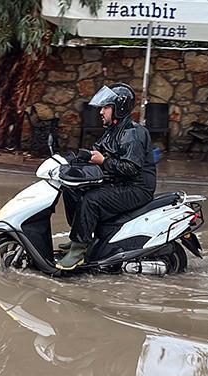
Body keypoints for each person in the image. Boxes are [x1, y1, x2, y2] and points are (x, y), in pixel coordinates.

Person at [57, 83, 157, 270]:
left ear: (118, 108)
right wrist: (74, 159)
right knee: (72, 190)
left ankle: (79, 251)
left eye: (105, 107)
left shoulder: (132, 133)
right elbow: (98, 150)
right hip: (120, 183)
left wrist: (103, 161)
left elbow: (131, 168)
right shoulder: (114, 130)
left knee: (90, 200)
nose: (101, 112)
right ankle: (78, 238)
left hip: (136, 188)